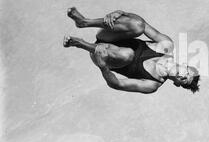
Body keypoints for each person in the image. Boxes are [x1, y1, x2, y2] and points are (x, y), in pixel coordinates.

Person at [63, 7, 200, 94]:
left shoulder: (152, 84)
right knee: (138, 25)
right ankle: (85, 22)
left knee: (127, 54)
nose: (183, 76)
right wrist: (121, 13)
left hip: (102, 56)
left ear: (177, 84)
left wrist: (103, 66)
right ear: (183, 65)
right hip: (109, 37)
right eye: (187, 73)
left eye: (184, 81)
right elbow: (142, 23)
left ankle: (81, 44)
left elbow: (117, 84)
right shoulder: (166, 46)